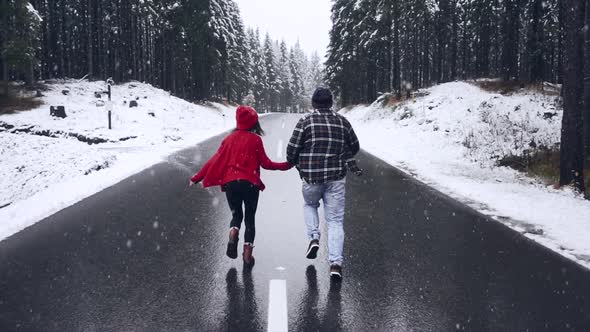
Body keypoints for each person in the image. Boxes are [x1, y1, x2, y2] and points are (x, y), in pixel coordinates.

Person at [189, 105, 293, 266]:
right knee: (250, 219)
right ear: (254, 123)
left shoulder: (228, 140)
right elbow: (266, 164)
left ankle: (233, 232)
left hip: (231, 184)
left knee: (236, 215)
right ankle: (247, 255)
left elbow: (214, 160)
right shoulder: (255, 140)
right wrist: (286, 165)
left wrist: (197, 177)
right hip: (250, 184)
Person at [287, 87, 360, 279]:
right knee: (335, 221)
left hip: (311, 177)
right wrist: (340, 154)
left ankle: (314, 237)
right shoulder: (342, 121)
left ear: (313, 103)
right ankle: (335, 263)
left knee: (310, 204)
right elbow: (355, 146)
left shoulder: (305, 121)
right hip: (336, 178)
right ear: (331, 103)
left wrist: (298, 162)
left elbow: (291, 149)